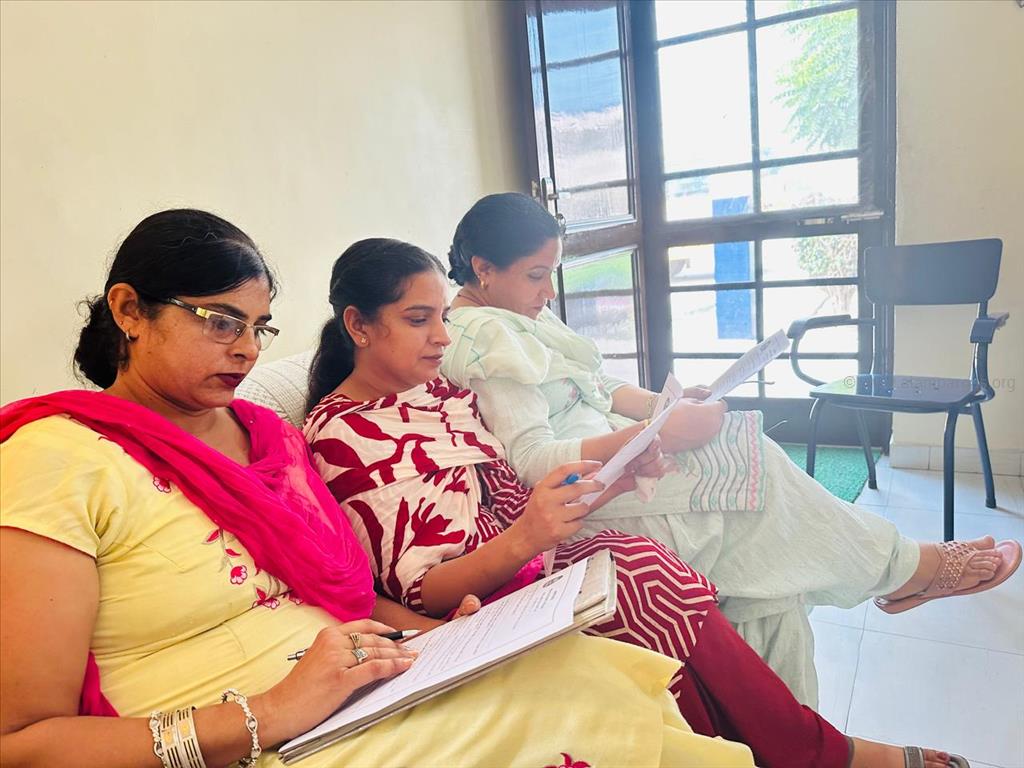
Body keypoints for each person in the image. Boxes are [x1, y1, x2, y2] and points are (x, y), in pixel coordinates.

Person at [0, 210, 756, 768]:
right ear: (129, 311)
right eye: (221, 322)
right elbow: (22, 743)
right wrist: (269, 713)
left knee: (591, 677)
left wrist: (444, 639)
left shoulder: (267, 439)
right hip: (259, 729)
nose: (245, 350)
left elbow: (345, 595)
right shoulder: (56, 460)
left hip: (358, 680)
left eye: (259, 328)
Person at [300, 236, 971, 768]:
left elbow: (515, 488)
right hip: (482, 594)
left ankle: (813, 743)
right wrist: (529, 535)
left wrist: (616, 477)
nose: (443, 338)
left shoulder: (436, 395)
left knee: (743, 560)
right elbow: (423, 591)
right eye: (419, 320)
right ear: (359, 325)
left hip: (533, 545)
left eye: (442, 318)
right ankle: (828, 747)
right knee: (642, 572)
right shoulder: (344, 436)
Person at [439, 192, 1022, 707]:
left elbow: (596, 386)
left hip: (624, 458)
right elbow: (533, 460)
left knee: (769, 578)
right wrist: (656, 435)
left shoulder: (514, 313)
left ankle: (814, 720)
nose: (548, 292)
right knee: (753, 466)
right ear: (484, 269)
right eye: (537, 275)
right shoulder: (484, 338)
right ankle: (905, 570)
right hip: (595, 491)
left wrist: (663, 407)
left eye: (552, 274)